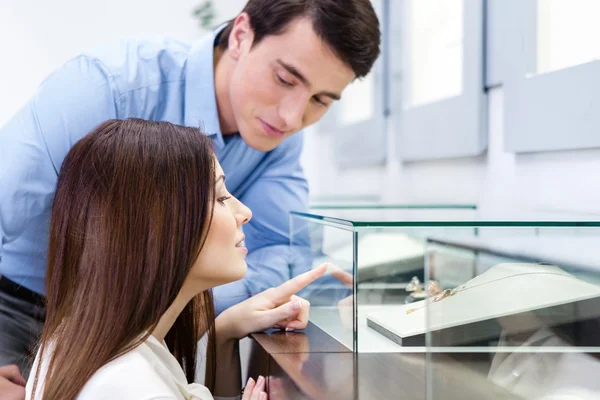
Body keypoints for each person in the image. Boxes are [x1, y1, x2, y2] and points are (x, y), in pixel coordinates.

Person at [0, 0, 380, 378]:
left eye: (320, 100)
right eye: (284, 79)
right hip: (19, 306)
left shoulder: (279, 140)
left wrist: (184, 306)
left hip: (136, 330)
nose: (292, 117)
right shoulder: (109, 85)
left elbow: (281, 250)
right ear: (242, 36)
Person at [25, 119, 327, 400]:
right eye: (221, 197)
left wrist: (224, 332)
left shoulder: (76, 341)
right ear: (158, 225)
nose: (244, 212)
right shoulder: (131, 386)